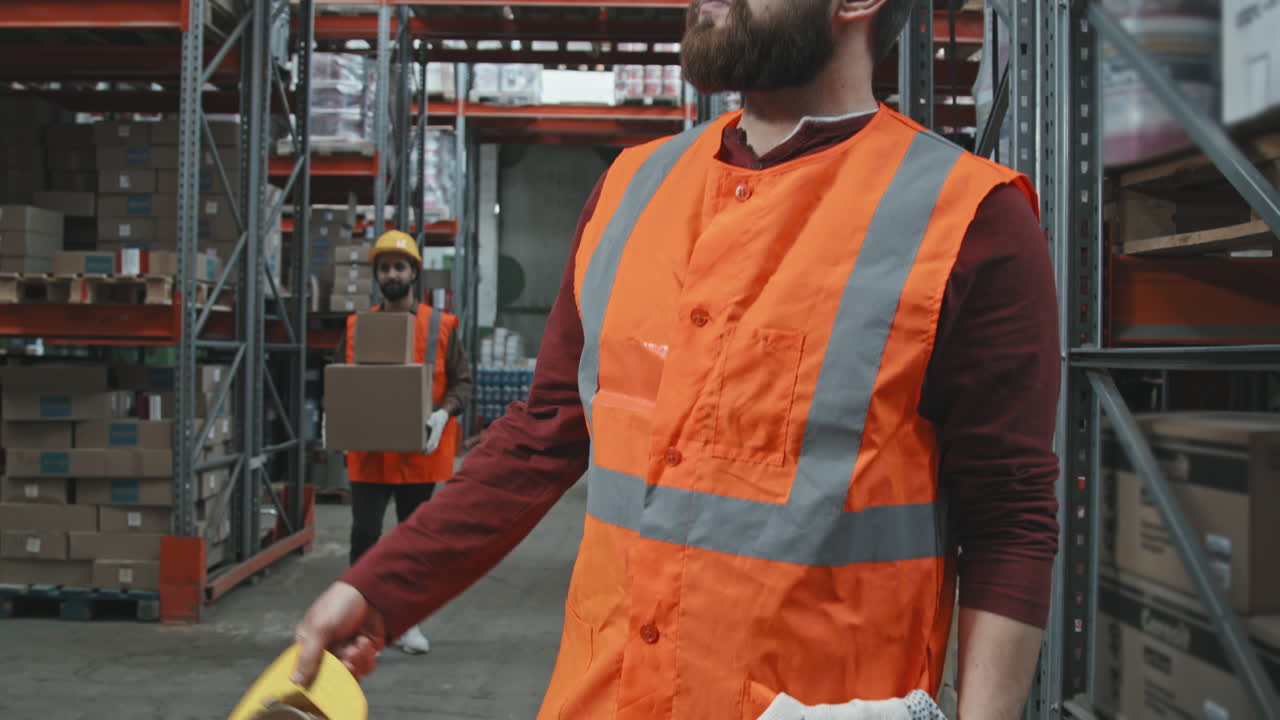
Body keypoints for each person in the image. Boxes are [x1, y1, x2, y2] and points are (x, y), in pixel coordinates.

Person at [295, 1, 1062, 718]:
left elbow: (1011, 513)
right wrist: (380, 588)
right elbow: (542, 435)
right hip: (605, 697)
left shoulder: (970, 221)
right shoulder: (630, 190)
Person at [329, 229, 474, 655]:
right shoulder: (356, 327)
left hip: (419, 455)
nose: (393, 274)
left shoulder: (442, 327)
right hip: (371, 456)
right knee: (365, 536)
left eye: (400, 266)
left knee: (413, 542)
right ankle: (358, 621)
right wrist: (332, 418)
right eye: (385, 268)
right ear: (377, 275)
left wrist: (442, 413)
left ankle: (406, 621)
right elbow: (341, 379)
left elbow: (463, 382)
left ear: (414, 273)